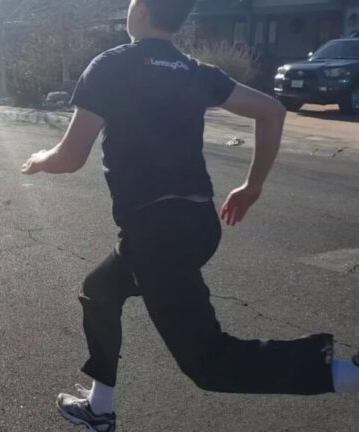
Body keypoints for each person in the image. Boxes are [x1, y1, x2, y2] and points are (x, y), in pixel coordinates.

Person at [21, 0, 359, 430]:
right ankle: (99, 408)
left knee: (209, 364)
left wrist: (38, 159)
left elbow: (70, 157)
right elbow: (272, 111)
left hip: (156, 235)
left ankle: (349, 373)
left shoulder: (110, 66)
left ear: (140, 11)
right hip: (197, 226)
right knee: (100, 290)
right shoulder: (195, 71)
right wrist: (252, 187)